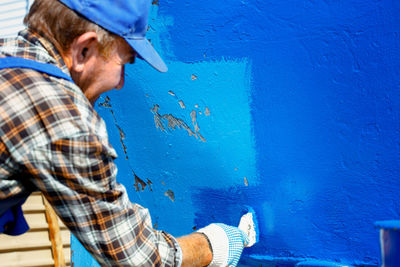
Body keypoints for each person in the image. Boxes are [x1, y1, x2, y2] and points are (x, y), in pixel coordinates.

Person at [0, 0, 256, 266]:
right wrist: (214, 244)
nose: (121, 83)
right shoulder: (62, 117)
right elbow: (137, 258)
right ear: (83, 50)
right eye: (125, 62)